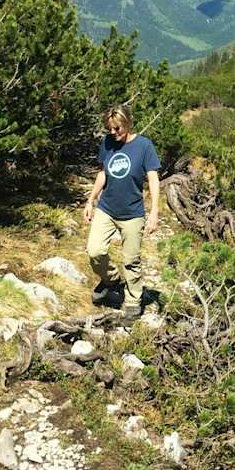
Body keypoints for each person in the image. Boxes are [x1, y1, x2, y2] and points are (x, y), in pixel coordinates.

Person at [83, 104, 160, 320]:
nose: (114, 133)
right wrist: (91, 200)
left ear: (127, 123)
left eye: (118, 128)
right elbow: (103, 173)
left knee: (131, 260)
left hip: (133, 213)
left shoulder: (144, 146)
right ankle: (112, 280)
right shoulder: (107, 143)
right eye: (110, 129)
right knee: (95, 251)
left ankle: (134, 300)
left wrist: (154, 211)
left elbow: (153, 178)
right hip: (106, 208)